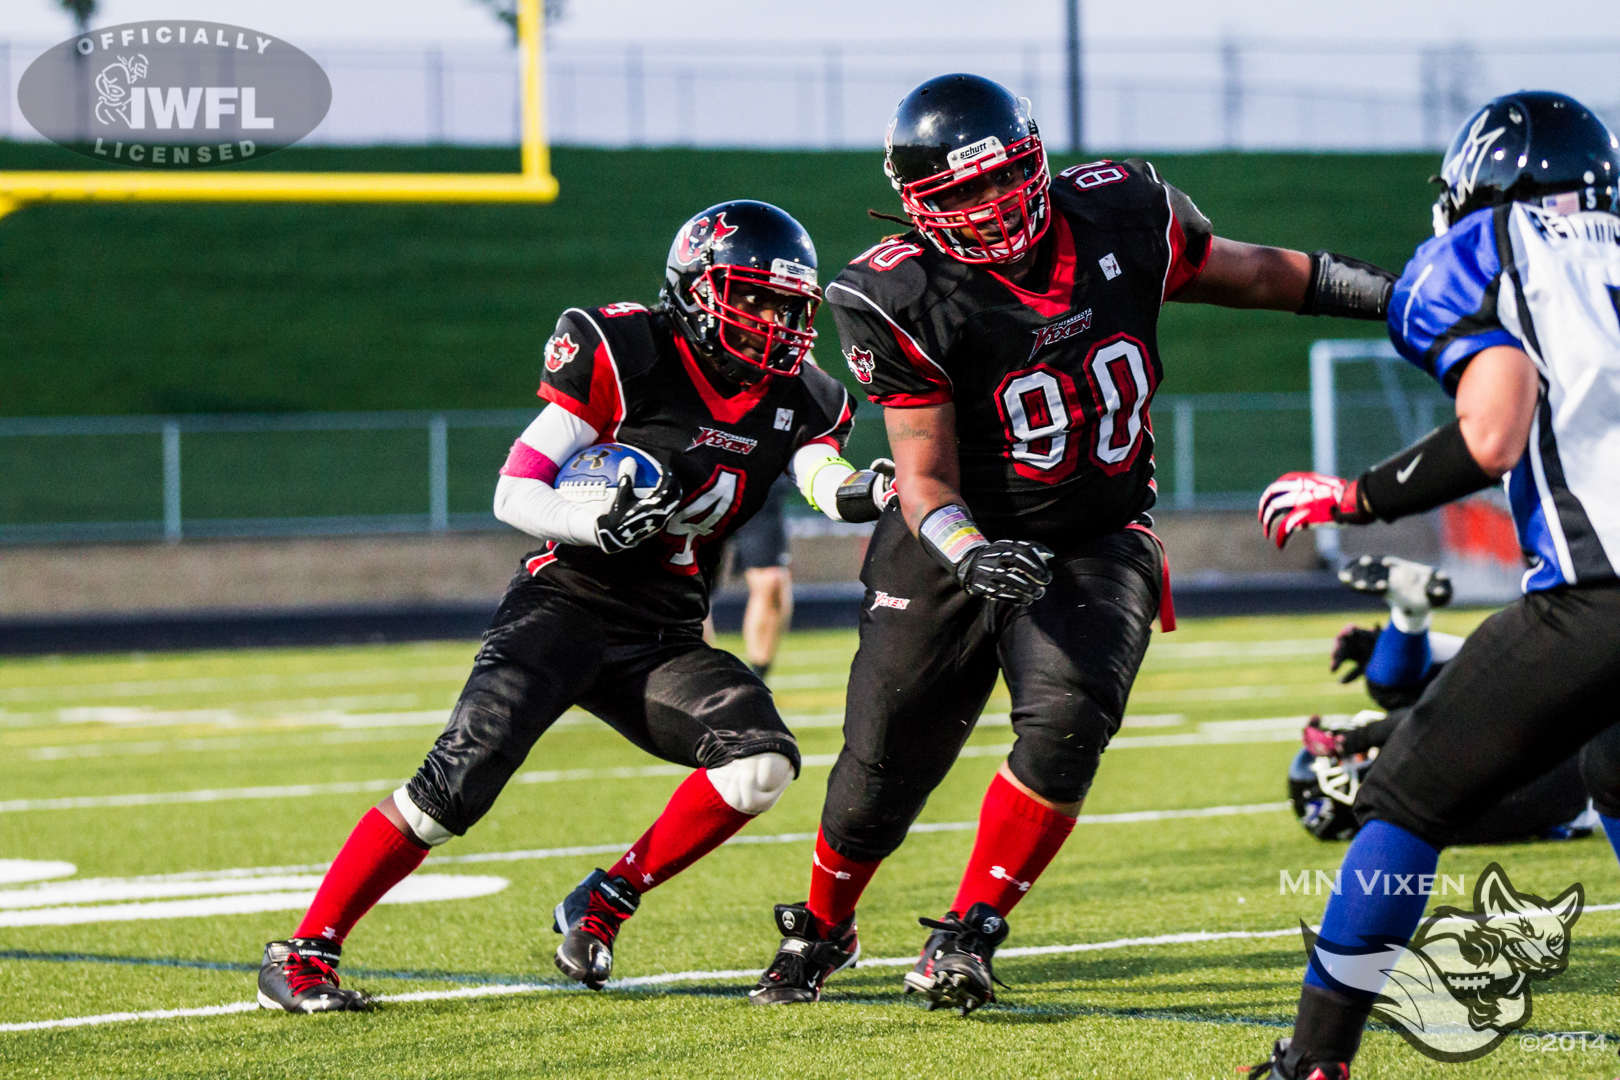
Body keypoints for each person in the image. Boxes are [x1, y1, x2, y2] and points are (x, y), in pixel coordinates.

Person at [747, 72, 1399, 1015]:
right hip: (951, 534)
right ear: (917, 204)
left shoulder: (1124, 212)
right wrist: (970, 551)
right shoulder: (898, 291)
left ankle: (969, 930)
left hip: (1096, 527)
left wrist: (1404, 298)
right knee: (881, 764)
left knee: (1070, 719)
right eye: (960, 193)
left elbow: (1261, 272)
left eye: (1003, 177)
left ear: (1036, 159)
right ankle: (823, 923)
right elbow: (925, 478)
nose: (991, 205)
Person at [256, 200, 896, 1013]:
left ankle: (607, 898)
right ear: (697, 291)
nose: (774, 323)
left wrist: (867, 489)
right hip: (565, 599)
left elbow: (819, 479)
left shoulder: (802, 398)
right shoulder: (627, 352)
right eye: (754, 298)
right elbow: (513, 488)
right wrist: (591, 518)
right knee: (454, 786)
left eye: (787, 306)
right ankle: (306, 950)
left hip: (661, 629)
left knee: (761, 761)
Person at [1251, 92, 1620, 1079]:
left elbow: (1496, 428)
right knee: (1613, 770)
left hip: (1602, 589)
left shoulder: (1483, 247)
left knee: (1404, 797)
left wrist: (1353, 496)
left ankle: (1316, 1061)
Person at [1289, 555, 1593, 845]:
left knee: (1389, 686)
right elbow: (1439, 716)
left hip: (1568, 750)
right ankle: (1409, 619)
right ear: (1347, 786)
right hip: (1573, 750)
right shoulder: (1420, 802)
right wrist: (1352, 740)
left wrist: (1380, 649)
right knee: (1404, 694)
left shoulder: (1416, 810)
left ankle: (1407, 623)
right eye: (1353, 758)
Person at [726, 474, 796, 679]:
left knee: (772, 581)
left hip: (756, 480)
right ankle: (698, 680)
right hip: (700, 479)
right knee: (691, 586)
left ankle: (756, 680)